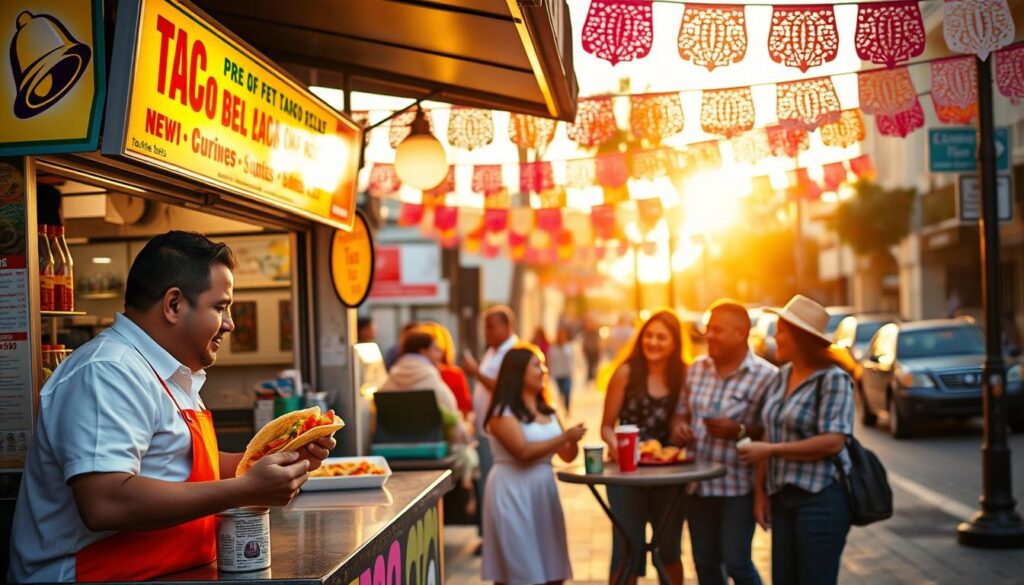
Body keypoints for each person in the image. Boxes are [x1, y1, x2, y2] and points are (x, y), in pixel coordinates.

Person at [9, 232, 333, 583]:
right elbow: (105, 502)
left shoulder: (172, 372)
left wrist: (284, 458)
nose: (230, 323)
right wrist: (247, 489)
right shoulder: (107, 370)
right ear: (174, 304)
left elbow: (185, 469)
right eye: (220, 307)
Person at [738, 295, 854, 585]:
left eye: (781, 331)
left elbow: (833, 442)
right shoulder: (783, 375)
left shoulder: (833, 379)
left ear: (801, 338)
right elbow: (768, 430)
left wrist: (772, 450)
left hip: (820, 498)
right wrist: (760, 493)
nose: (775, 337)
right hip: (782, 498)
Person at [671, 300, 777, 585]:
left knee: (737, 563)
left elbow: (771, 435)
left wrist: (740, 430)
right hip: (697, 486)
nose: (709, 335)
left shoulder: (768, 377)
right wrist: (680, 426)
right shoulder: (696, 369)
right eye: (708, 329)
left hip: (738, 487)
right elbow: (681, 412)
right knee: (705, 564)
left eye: (716, 330)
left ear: (741, 333)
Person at [481, 346, 584, 585]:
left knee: (552, 568)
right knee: (519, 570)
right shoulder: (501, 412)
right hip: (512, 491)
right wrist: (564, 437)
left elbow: (567, 456)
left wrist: (572, 441)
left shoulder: (548, 410)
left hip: (543, 491)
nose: (544, 370)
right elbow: (522, 452)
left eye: (543, 364)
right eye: (537, 365)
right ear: (517, 373)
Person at [600, 309, 688, 585]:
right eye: (649, 335)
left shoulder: (683, 375)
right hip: (627, 473)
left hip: (670, 474)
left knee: (669, 550)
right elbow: (606, 426)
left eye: (662, 337)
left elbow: (683, 417)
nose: (653, 342)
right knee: (626, 550)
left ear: (675, 343)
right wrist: (616, 447)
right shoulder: (626, 372)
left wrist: (681, 429)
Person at [463, 305, 518, 545]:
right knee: (487, 483)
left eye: (491, 326)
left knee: (494, 484)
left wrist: (476, 372)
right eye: (484, 326)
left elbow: (505, 387)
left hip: (500, 432)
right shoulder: (493, 351)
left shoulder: (512, 352)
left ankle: (495, 536)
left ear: (507, 326)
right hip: (486, 430)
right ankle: (491, 535)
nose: (486, 331)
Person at [414, 322, 473, 416]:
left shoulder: (399, 372)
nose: (439, 352)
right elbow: (464, 411)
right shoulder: (453, 375)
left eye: (439, 349)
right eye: (436, 349)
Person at [547, 325, 575, 414]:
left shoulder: (569, 347)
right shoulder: (553, 348)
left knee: (567, 391)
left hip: (567, 373)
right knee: (561, 392)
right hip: (558, 373)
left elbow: (573, 359)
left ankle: (567, 408)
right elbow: (549, 360)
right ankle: (563, 406)